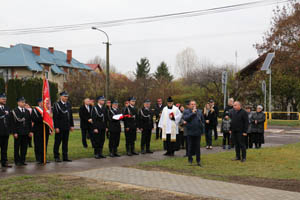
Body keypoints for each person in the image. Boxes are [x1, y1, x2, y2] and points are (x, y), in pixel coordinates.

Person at [10, 97, 33, 166]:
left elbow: (29, 122)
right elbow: (12, 123)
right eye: (22, 102)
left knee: (24, 147)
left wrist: (30, 131)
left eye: (24, 102)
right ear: (18, 103)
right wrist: (14, 132)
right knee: (17, 147)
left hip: (26, 132)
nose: (24, 103)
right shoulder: (14, 111)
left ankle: (23, 160)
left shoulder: (27, 111)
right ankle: (17, 161)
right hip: (18, 132)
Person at [53, 91, 74, 162]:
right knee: (58, 142)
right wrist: (56, 127)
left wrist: (71, 125)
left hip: (66, 126)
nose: (66, 98)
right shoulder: (56, 105)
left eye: (67, 96)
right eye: (65, 96)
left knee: (65, 142)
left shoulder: (68, 104)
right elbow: (55, 117)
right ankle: (56, 156)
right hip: (60, 126)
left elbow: (70, 116)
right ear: (61, 97)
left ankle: (65, 156)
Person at [183, 100, 205, 167]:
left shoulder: (200, 111)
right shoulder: (186, 111)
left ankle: (198, 160)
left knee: (197, 147)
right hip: (190, 132)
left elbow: (202, 121)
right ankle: (190, 159)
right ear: (189, 105)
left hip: (197, 132)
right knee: (190, 146)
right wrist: (192, 113)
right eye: (192, 104)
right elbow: (186, 118)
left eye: (194, 104)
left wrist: (203, 131)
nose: (193, 105)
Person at [31, 98, 52, 164]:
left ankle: (44, 158)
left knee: (45, 144)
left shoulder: (47, 110)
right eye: (42, 103)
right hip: (38, 130)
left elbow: (49, 120)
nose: (44, 104)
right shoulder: (35, 110)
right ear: (39, 103)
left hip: (45, 129)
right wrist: (42, 117)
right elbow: (34, 119)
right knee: (38, 144)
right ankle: (38, 158)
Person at [0, 93, 12, 168]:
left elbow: (10, 120)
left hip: (5, 132)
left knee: (4, 148)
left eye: (5, 99)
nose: (4, 100)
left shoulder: (7, 108)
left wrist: (10, 130)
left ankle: (4, 162)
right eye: (3, 99)